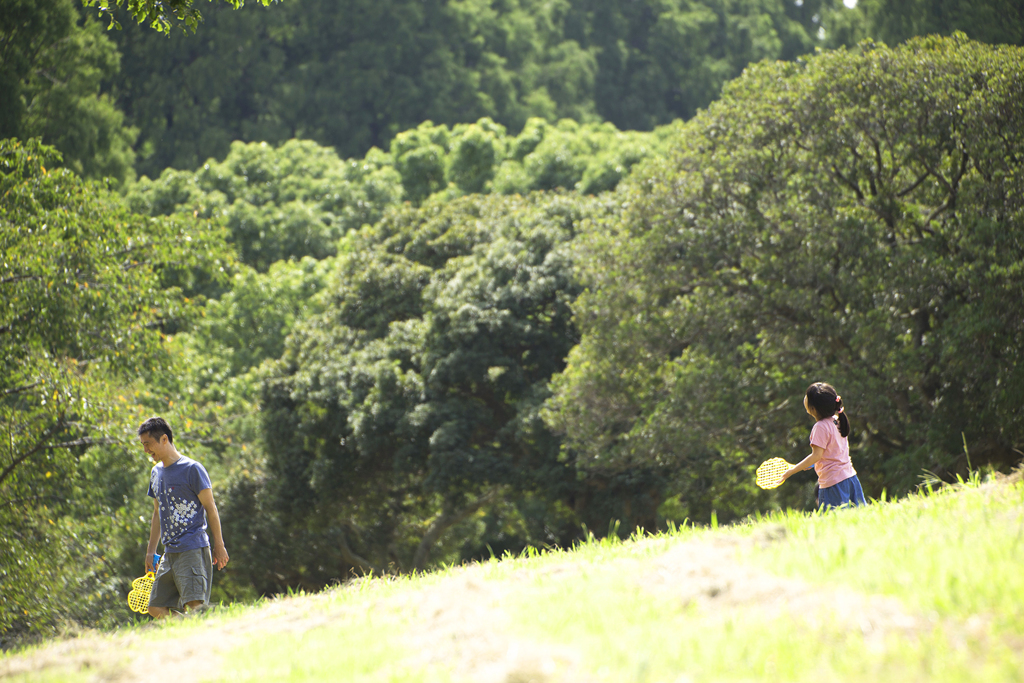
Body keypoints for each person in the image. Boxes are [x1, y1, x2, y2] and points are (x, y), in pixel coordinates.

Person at [138, 416, 229, 618]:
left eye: (148, 444)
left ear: (164, 439)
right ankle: (189, 625)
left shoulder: (192, 469)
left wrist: (219, 545)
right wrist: (150, 551)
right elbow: (156, 513)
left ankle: (200, 633)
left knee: (194, 605)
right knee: (155, 607)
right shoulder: (155, 473)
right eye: (143, 445)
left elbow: (210, 507)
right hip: (169, 553)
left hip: (192, 547)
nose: (146, 450)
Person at [779, 382, 866, 509]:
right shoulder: (837, 420)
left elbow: (816, 455)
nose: (805, 398)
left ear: (813, 408)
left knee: (834, 523)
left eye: (807, 397)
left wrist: (791, 471)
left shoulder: (820, 427)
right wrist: (814, 463)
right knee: (858, 518)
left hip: (833, 483)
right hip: (850, 478)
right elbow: (833, 452)